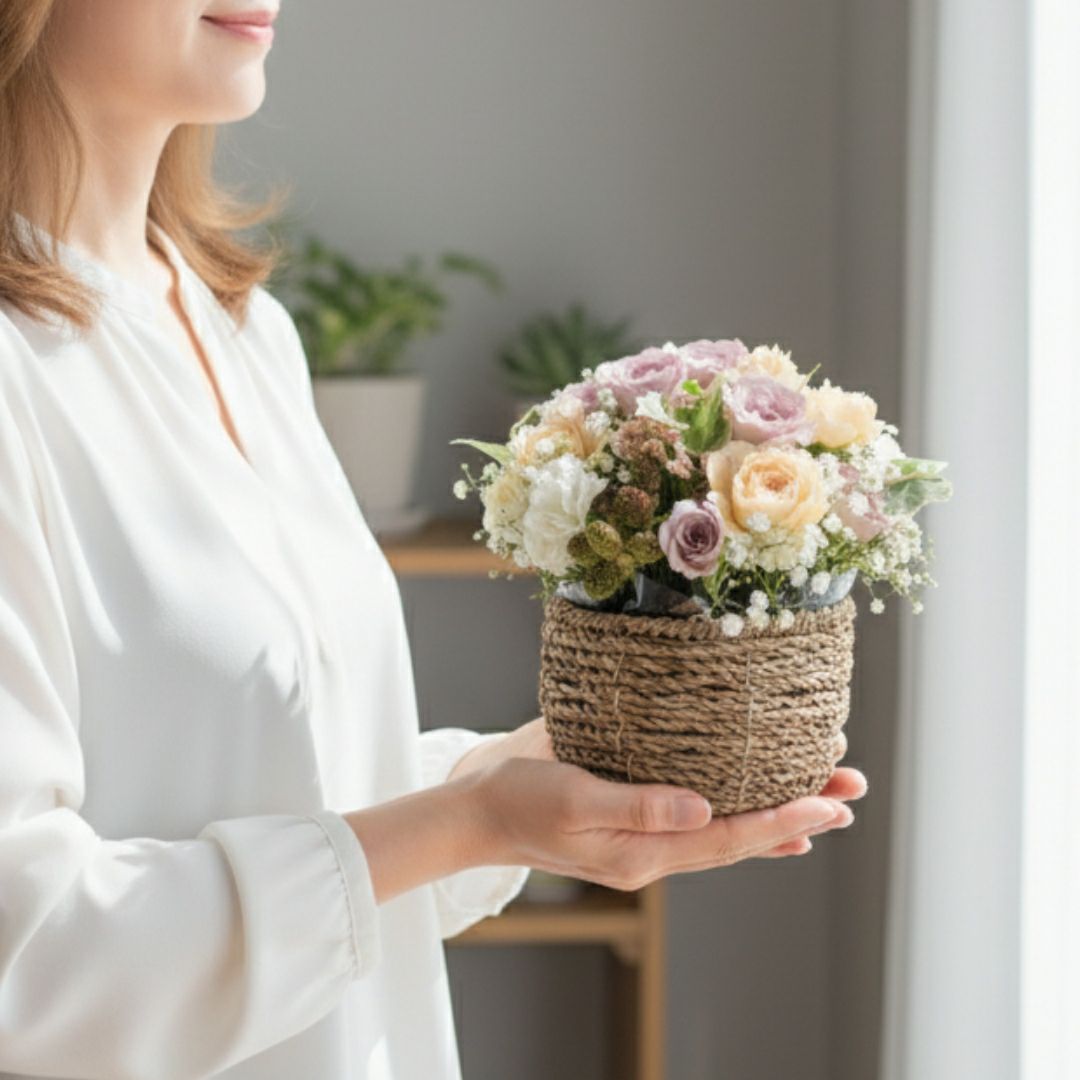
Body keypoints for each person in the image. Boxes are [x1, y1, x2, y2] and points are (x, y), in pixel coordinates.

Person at [0, 2, 867, 1078]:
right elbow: (26, 966)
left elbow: (301, 790)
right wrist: (466, 824)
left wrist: (527, 785)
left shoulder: (239, 329)